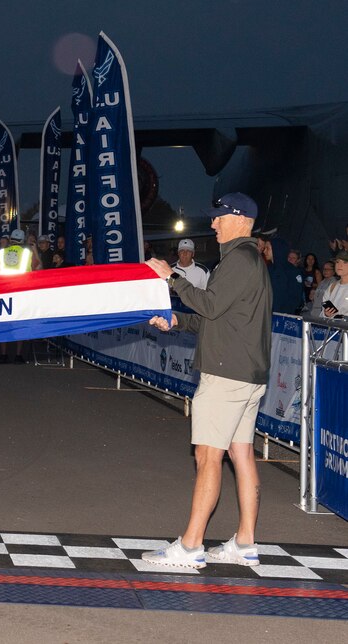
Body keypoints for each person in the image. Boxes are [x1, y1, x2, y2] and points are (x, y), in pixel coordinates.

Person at [142, 192, 272, 570]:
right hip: (247, 373)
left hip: (227, 374)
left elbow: (210, 305)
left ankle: (190, 545)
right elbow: (218, 318)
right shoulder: (248, 260)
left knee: (208, 456)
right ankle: (245, 542)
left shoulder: (239, 259)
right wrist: (177, 321)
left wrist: (172, 278)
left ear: (239, 220)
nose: (212, 223)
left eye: (219, 217)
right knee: (241, 454)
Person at [0, 229, 32, 363]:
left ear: (11, 239)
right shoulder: (26, 253)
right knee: (19, 323)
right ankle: (18, 355)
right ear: (22, 240)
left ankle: (3, 354)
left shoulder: (1, 252)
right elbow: (29, 270)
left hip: (4, 290)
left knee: (4, 323)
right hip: (20, 291)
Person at [267, 237, 304, 314]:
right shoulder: (267, 269)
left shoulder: (293, 271)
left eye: (268, 248)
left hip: (283, 316)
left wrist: (282, 313)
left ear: (276, 250)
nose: (265, 251)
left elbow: (295, 297)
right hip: (266, 314)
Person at [319, 250, 348, 318]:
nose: (339, 265)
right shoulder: (332, 286)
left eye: (345, 262)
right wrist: (326, 314)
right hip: (331, 327)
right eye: (337, 262)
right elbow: (322, 315)